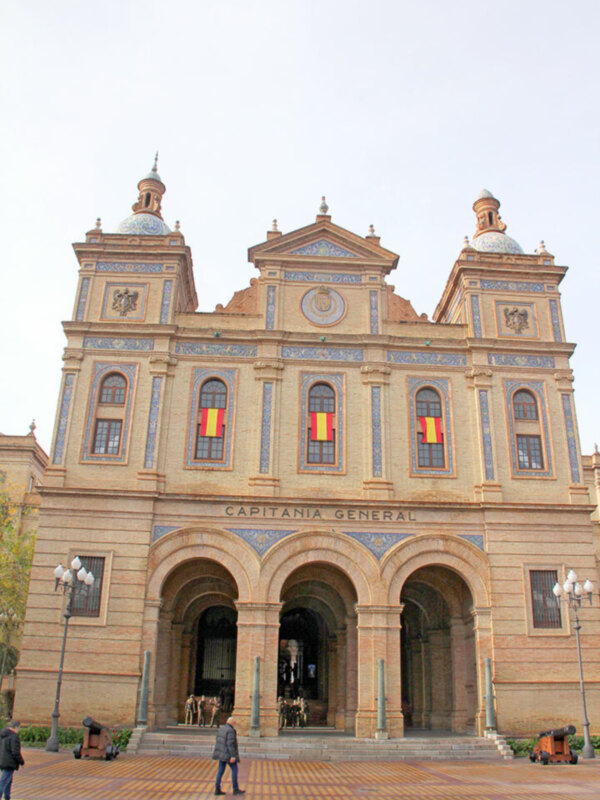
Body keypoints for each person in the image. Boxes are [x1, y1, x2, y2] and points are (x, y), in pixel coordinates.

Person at [212, 716, 244, 796]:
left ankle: (217, 788)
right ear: (232, 723)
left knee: (220, 771)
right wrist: (233, 756)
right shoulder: (230, 731)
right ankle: (235, 789)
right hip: (228, 755)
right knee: (234, 770)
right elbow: (230, 744)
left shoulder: (221, 729)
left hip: (222, 754)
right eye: (234, 723)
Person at [0, 720, 25, 800]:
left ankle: (7, 797)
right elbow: (15, 752)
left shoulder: (3, 735)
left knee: (8, 781)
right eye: (19, 728)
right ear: (16, 727)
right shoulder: (14, 737)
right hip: (9, 762)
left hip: (2, 760)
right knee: (3, 782)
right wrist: (22, 762)